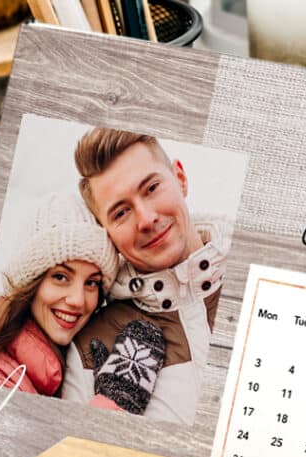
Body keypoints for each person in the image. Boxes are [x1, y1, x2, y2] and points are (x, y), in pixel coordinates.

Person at [59, 128, 230, 423]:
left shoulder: (257, 275)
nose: (147, 219)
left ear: (180, 178)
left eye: (151, 188)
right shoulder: (89, 345)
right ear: (107, 233)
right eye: (121, 213)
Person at [0, 197, 119, 396]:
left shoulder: (69, 364)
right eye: (60, 277)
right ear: (31, 283)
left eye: (91, 282)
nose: (78, 300)